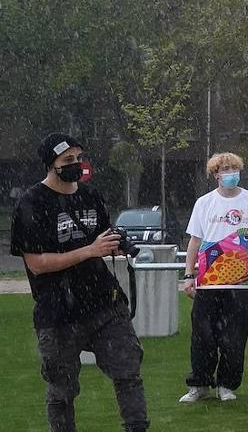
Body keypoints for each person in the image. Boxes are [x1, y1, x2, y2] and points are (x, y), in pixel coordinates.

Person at [9, 132, 149, 432]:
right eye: (67, 160)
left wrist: (115, 244)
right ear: (51, 164)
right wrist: (90, 250)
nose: (76, 164)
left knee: (128, 373)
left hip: (104, 302)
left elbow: (101, 236)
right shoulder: (31, 203)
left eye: (78, 158)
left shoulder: (91, 195)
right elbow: (36, 264)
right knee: (62, 391)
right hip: (57, 311)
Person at [179, 152, 248, 403]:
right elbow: (194, 241)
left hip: (240, 282)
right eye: (225, 169)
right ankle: (199, 384)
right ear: (216, 174)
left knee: (235, 337)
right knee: (203, 335)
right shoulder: (204, 203)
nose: (230, 173)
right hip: (208, 281)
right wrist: (188, 275)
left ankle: (227, 385)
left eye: (234, 168)